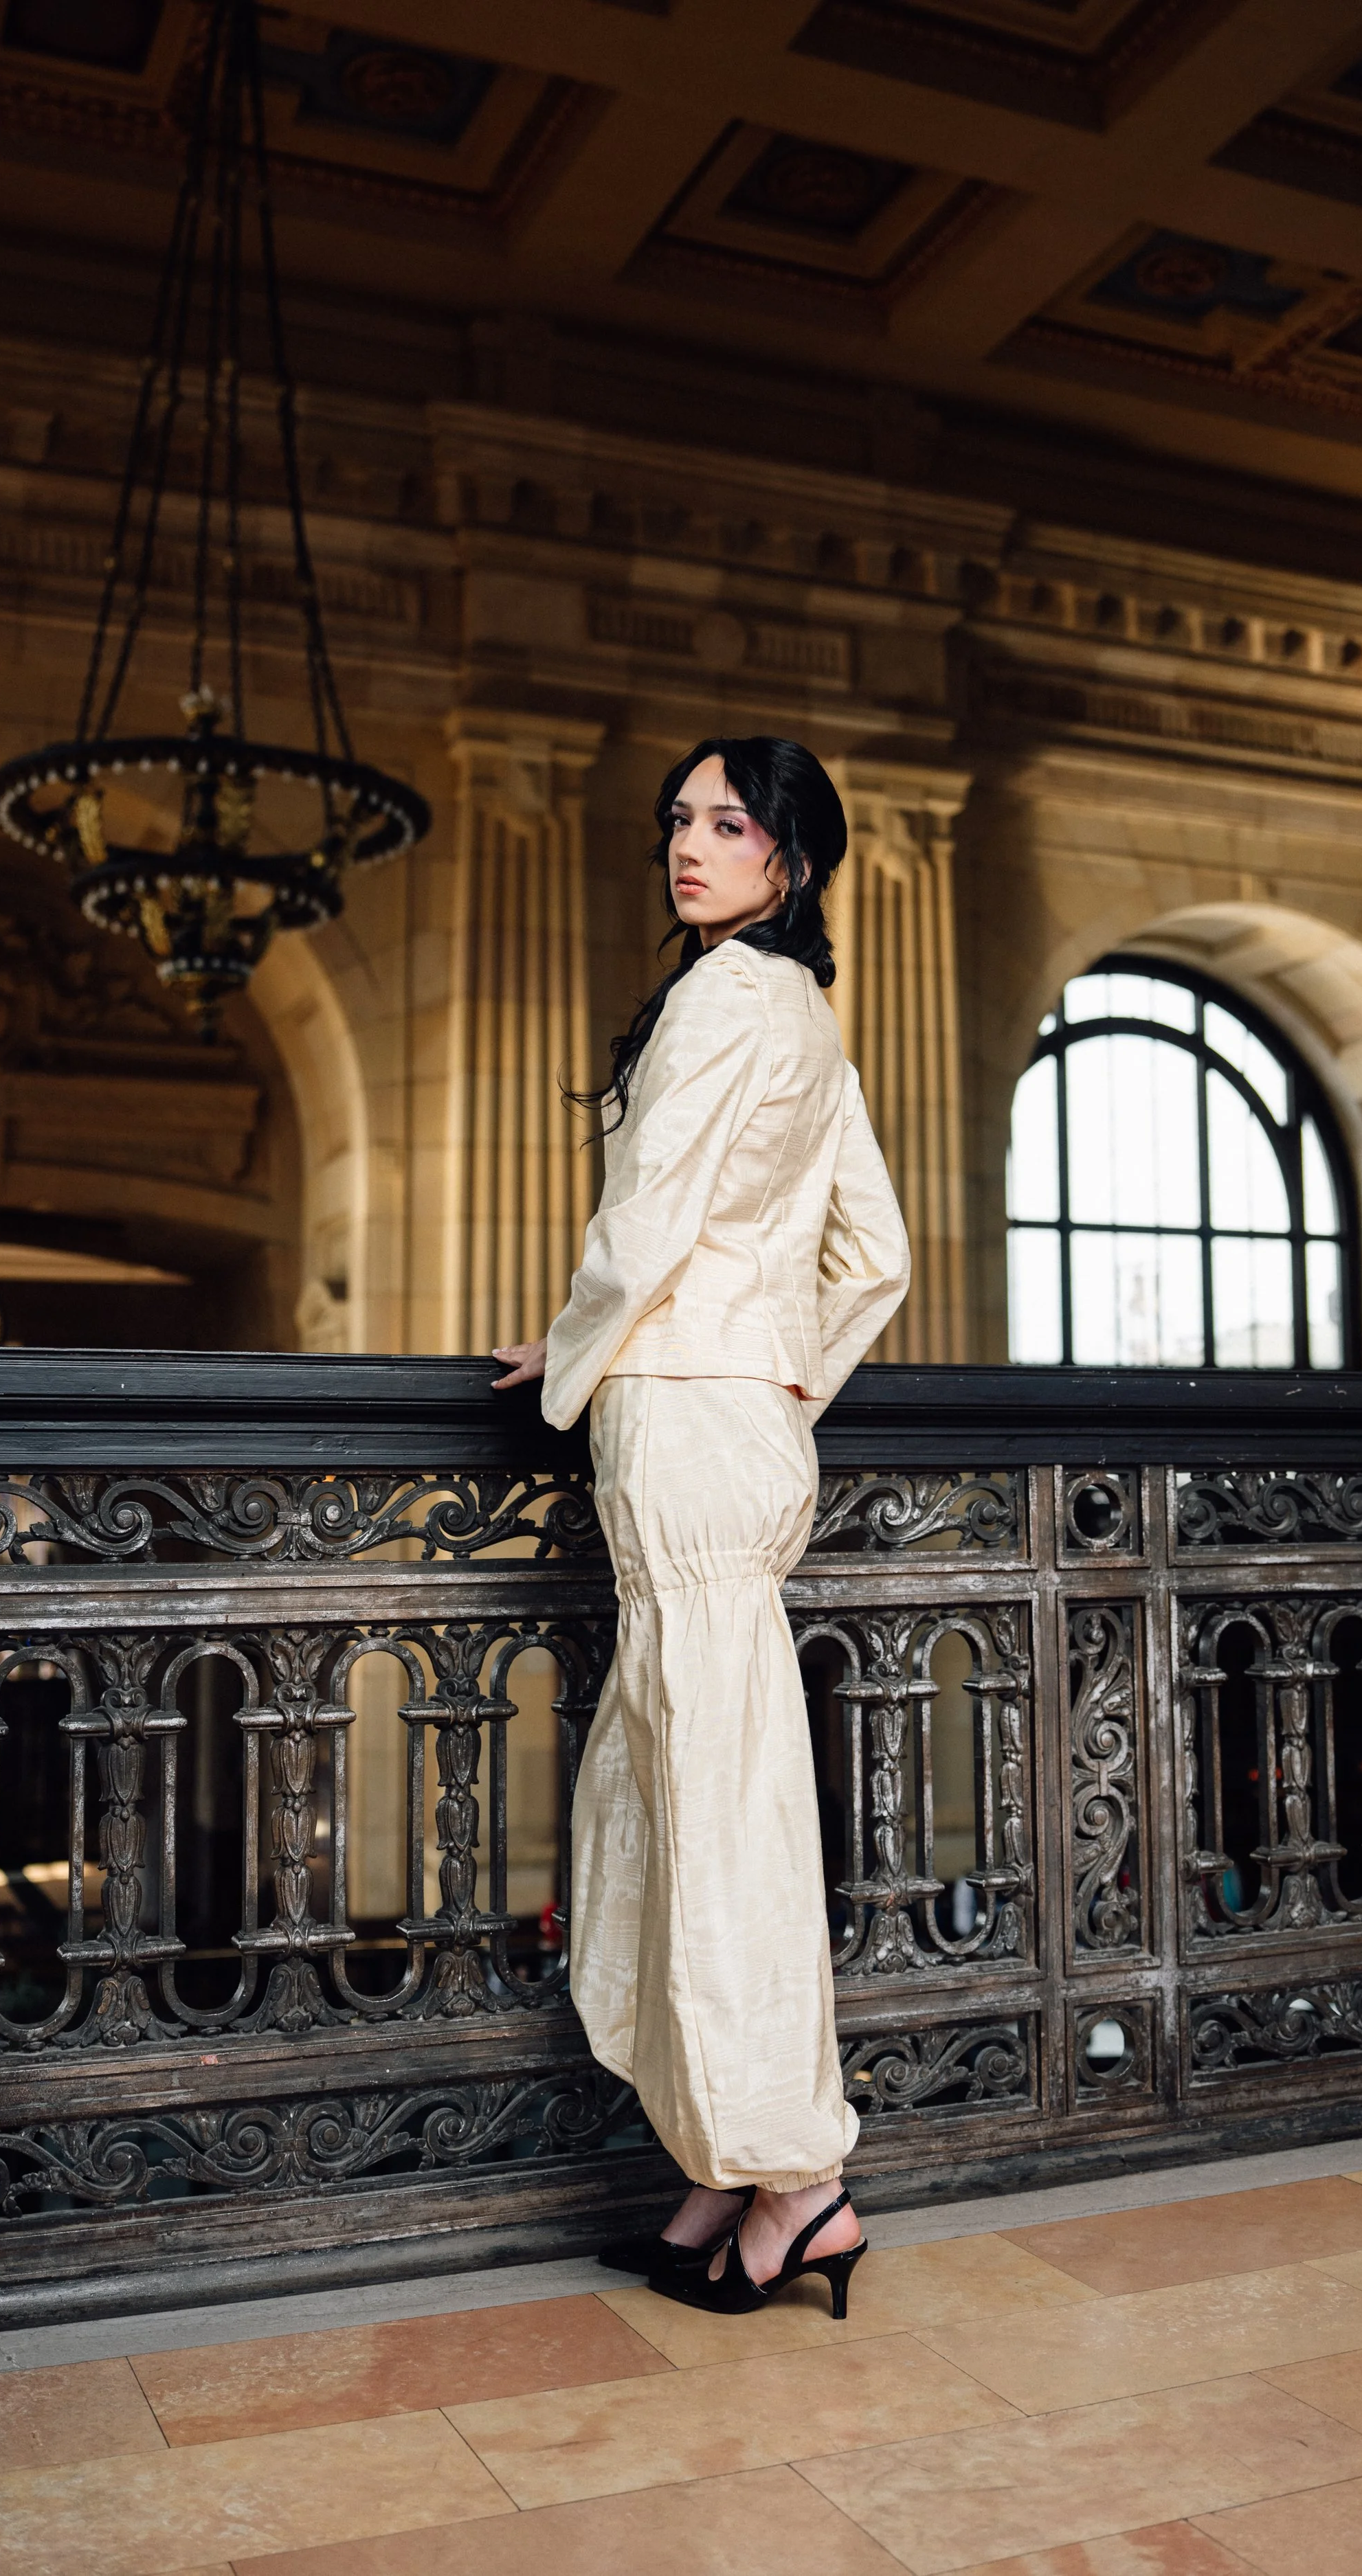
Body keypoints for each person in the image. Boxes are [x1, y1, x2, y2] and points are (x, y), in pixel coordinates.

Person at [491, 735, 909, 2317]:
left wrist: (578, 1349)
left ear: (787, 856)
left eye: (726, 823)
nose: (690, 844)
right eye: (678, 819)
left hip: (682, 1417)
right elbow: (870, 1257)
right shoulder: (800, 1012)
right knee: (702, 1790)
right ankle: (723, 2178)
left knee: (709, 1805)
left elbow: (648, 1214)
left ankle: (799, 2180)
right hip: (737, 1420)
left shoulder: (728, 999)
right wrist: (780, 1370)